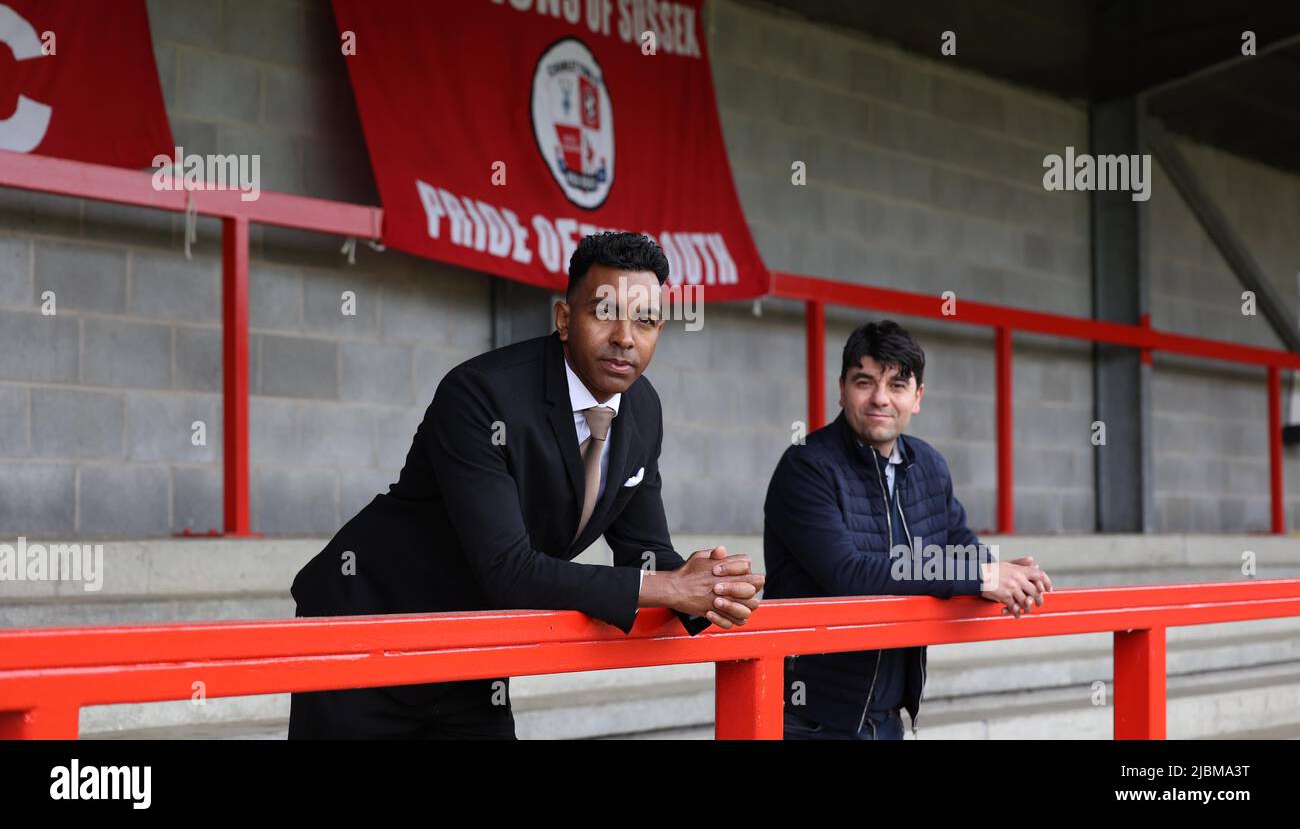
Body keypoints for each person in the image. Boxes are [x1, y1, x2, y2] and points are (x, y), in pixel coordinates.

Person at [289, 231, 764, 738]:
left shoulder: (643, 409)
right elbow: (506, 568)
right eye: (605, 312)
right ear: (564, 319)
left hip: (474, 650)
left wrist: (712, 588)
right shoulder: (480, 394)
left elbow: (644, 552)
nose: (626, 336)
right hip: (369, 629)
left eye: (645, 320)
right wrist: (666, 587)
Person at [763, 320, 1052, 740]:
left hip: (887, 714)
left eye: (897, 385)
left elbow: (957, 542)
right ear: (841, 388)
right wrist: (983, 575)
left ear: (917, 398)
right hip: (811, 717)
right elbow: (849, 574)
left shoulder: (929, 464)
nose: (880, 398)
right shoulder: (807, 466)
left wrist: (1004, 569)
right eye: (864, 382)